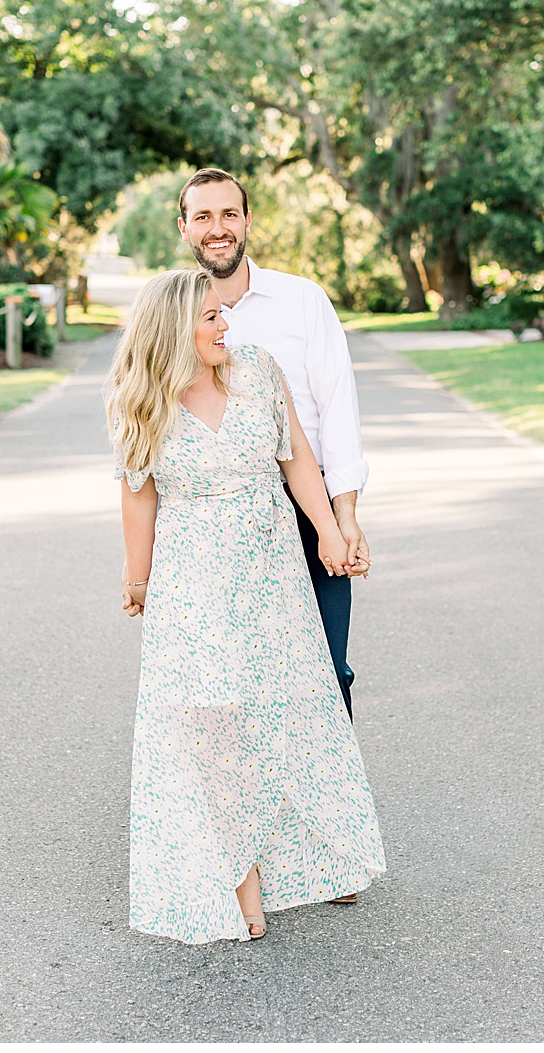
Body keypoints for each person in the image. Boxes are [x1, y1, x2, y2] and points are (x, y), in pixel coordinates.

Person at [108, 268, 385, 943]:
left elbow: (297, 461)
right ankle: (242, 870)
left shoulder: (257, 370)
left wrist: (328, 530)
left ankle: (321, 851)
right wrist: (138, 579)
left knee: (286, 707)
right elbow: (138, 494)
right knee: (215, 717)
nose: (224, 325)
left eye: (221, 313)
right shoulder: (140, 401)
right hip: (192, 583)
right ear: (175, 329)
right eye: (210, 317)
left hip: (271, 573)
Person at [176, 168, 371, 721]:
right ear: (185, 228)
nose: (218, 228)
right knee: (235, 681)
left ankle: (329, 778)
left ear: (247, 221)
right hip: (218, 526)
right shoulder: (172, 312)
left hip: (309, 512)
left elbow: (338, 409)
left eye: (229, 214)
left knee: (327, 670)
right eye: (204, 216)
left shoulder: (302, 300)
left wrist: (344, 515)